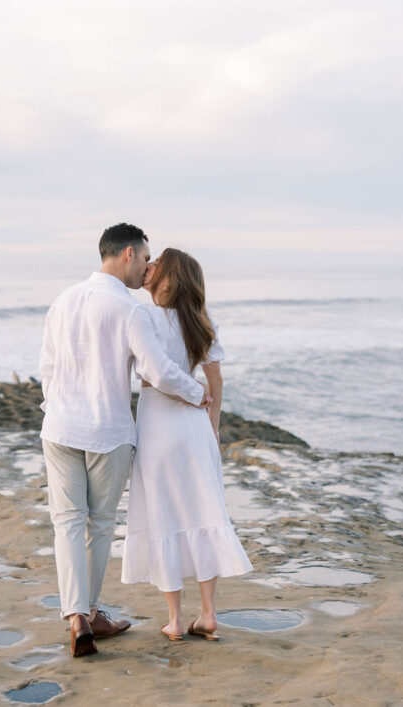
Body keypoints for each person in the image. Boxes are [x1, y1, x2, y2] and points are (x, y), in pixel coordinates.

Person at [39, 224, 212, 658]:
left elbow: (47, 367)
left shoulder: (62, 300)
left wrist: (55, 407)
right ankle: (88, 613)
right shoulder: (128, 310)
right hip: (106, 432)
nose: (148, 270)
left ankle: (77, 617)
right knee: (98, 524)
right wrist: (198, 394)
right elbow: (158, 371)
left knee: (67, 523)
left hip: (58, 428)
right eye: (146, 259)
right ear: (129, 254)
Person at [121, 247, 252, 641]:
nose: (149, 266)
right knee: (203, 511)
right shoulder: (201, 320)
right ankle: (209, 613)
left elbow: (155, 374)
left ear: (169, 275)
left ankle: (176, 620)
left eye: (156, 261)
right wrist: (212, 431)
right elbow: (216, 382)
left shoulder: (143, 315)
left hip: (159, 421)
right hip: (196, 427)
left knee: (163, 514)